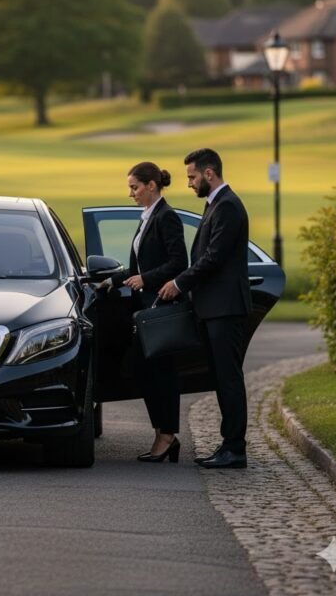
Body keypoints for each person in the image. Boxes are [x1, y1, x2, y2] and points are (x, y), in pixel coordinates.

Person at [159, 148, 251, 469]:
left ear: (209, 174)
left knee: (228, 378)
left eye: (192, 177)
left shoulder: (228, 207)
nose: (189, 183)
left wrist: (179, 283)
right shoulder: (217, 205)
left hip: (225, 309)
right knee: (221, 378)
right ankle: (229, 445)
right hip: (213, 309)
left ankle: (235, 449)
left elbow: (213, 258)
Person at [101, 161, 188, 463]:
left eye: (134, 187)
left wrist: (146, 279)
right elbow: (138, 266)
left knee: (161, 374)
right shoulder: (148, 218)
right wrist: (111, 279)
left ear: (151, 186)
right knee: (145, 372)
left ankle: (166, 436)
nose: (131, 193)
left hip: (160, 309)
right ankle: (163, 435)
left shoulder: (167, 218)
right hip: (145, 310)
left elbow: (179, 263)